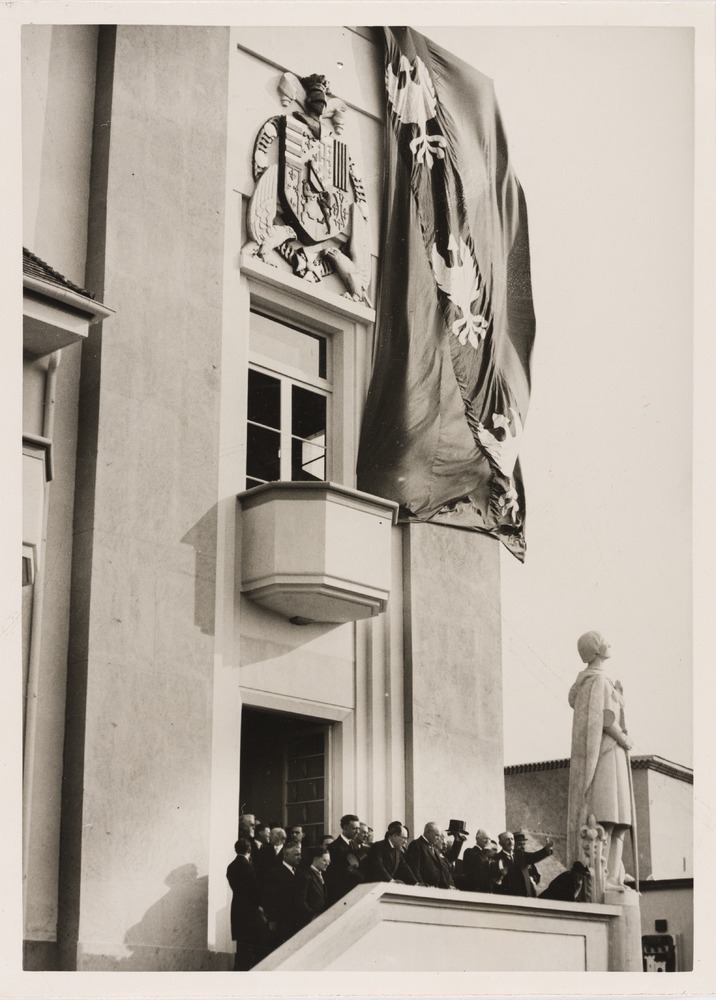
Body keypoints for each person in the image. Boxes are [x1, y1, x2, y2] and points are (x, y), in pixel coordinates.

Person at [566, 631, 636, 889]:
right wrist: (623, 738)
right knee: (607, 820)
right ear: (595, 650)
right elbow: (604, 720)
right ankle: (605, 875)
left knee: (620, 823)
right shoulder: (596, 682)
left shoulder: (604, 682)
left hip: (615, 755)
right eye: (605, 639)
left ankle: (615, 875)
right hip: (607, 754)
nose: (610, 642)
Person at [226, 837, 267, 970]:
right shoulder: (247, 866)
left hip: (237, 908)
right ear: (249, 849)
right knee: (251, 947)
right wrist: (260, 906)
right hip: (250, 911)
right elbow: (254, 889)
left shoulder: (231, 866)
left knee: (242, 947)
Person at [263, 841, 302, 947]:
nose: (300, 857)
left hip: (297, 920)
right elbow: (270, 898)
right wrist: (272, 919)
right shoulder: (274, 873)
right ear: (286, 855)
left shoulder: (300, 873)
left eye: (300, 854)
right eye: (296, 855)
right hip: (282, 921)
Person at [494, 831, 553, 896]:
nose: (511, 842)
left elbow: (534, 856)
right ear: (500, 843)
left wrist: (545, 851)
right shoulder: (496, 858)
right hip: (509, 898)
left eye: (512, 839)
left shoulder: (521, 855)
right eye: (507, 840)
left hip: (525, 897)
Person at [325, 814, 366, 904]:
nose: (357, 832)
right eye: (354, 828)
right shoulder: (333, 847)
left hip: (355, 892)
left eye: (358, 829)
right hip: (341, 894)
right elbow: (332, 873)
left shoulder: (355, 845)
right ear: (345, 828)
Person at [405, 822, 455, 888]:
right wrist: (420, 885)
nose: (438, 838)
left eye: (439, 836)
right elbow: (414, 869)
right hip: (424, 889)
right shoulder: (416, 844)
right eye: (437, 835)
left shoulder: (434, 849)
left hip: (435, 889)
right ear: (428, 831)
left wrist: (447, 887)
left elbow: (440, 872)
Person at [295, 846, 330, 929]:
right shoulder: (306, 876)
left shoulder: (324, 875)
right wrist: (312, 915)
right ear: (316, 859)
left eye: (328, 861)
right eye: (324, 860)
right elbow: (300, 900)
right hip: (310, 921)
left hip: (322, 920)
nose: (327, 864)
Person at [461, 829, 503, 893]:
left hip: (487, 890)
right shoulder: (470, 851)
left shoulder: (486, 855)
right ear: (477, 838)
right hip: (475, 890)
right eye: (485, 838)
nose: (488, 841)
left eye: (489, 839)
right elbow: (477, 867)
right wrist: (485, 851)